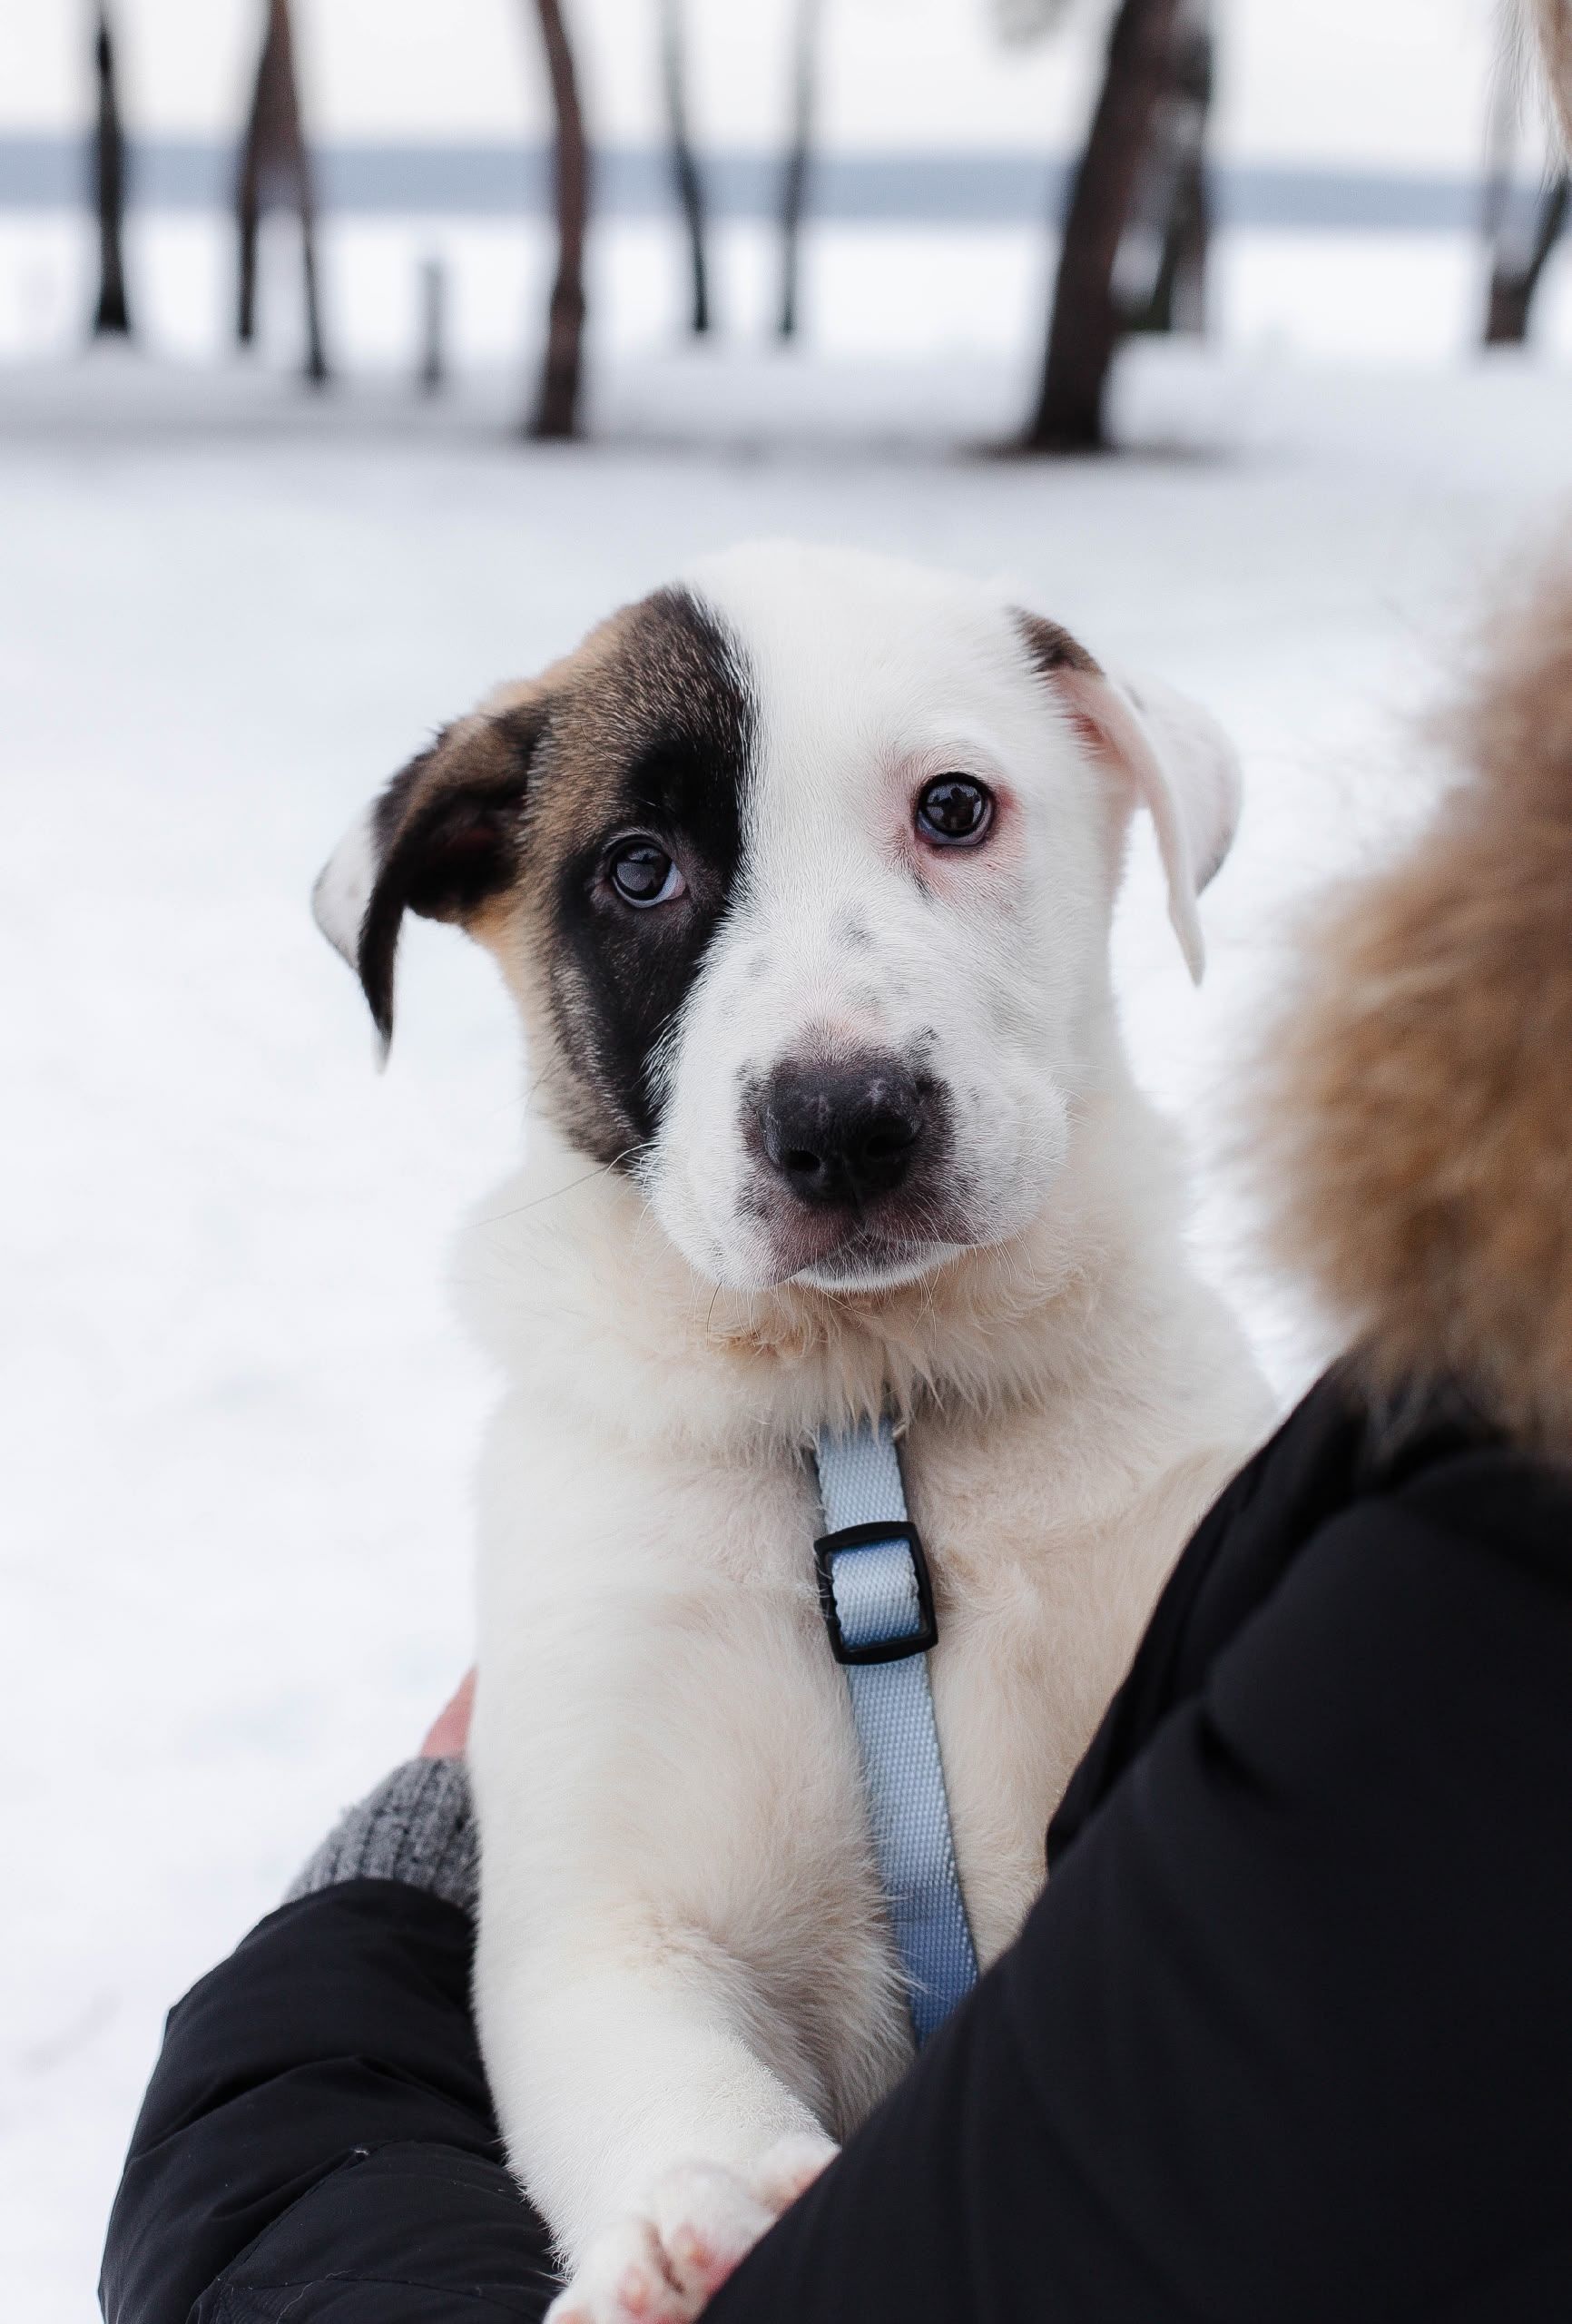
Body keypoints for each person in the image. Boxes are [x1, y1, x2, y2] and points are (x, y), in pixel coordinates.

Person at [100, 575, 1572, 2324]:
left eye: (952, 814)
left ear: (1120, 782)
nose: (839, 1066)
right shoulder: (588, 1474)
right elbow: (605, 1967)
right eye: (642, 873)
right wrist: (695, 2188)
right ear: (474, 874)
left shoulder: (1273, 1453)